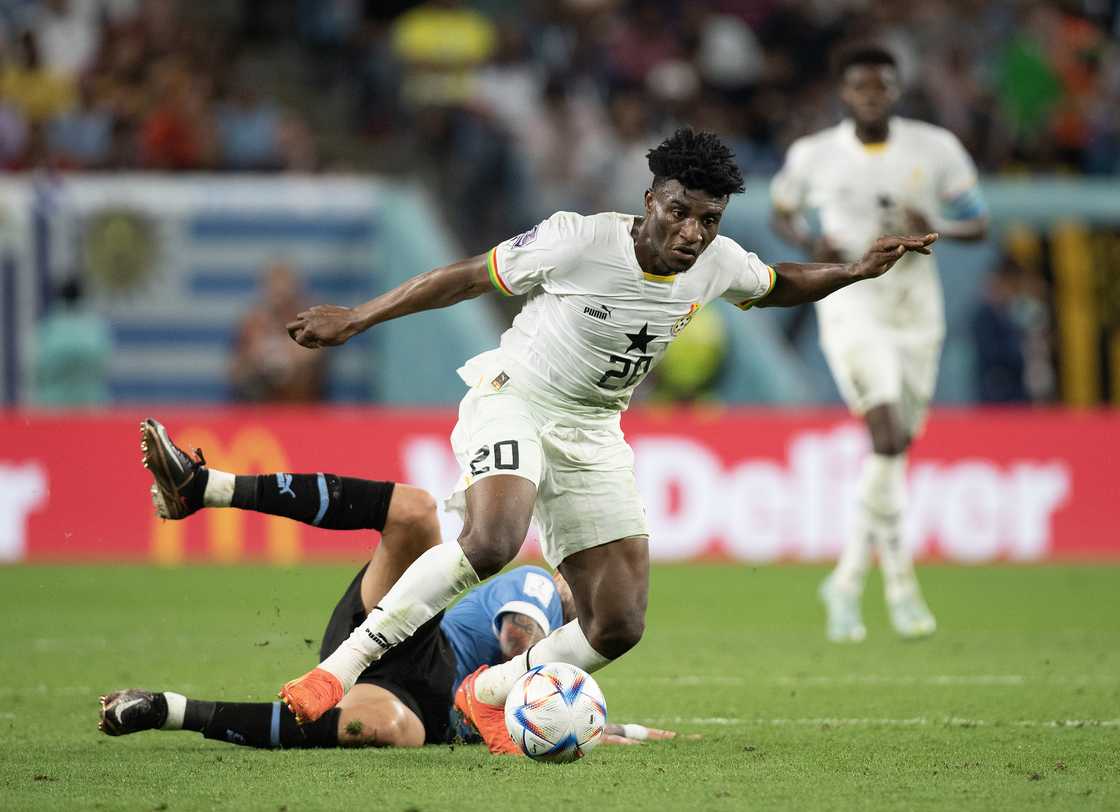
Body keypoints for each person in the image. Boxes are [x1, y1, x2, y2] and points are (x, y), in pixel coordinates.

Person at [278, 127, 937, 753]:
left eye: (709, 220)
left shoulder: (715, 262)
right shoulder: (578, 239)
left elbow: (774, 284)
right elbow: (469, 275)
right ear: (649, 200)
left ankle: (490, 692)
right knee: (493, 540)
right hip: (515, 399)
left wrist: (853, 272)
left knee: (617, 624)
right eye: (680, 212)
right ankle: (341, 668)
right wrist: (358, 318)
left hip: (593, 432)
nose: (692, 232)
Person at [115, 422, 670, 750]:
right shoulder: (539, 587)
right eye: (585, 577)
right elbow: (518, 647)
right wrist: (553, 714)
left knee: (371, 729)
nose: (593, 589)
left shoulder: (570, 641)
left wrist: (592, 725)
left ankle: (168, 710)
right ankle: (205, 486)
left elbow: (537, 693)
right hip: (412, 632)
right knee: (414, 512)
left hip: (411, 702)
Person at [770, 43, 988, 643]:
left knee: (895, 451)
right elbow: (782, 210)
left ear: (896, 90)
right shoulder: (813, 155)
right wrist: (809, 243)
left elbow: (978, 220)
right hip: (853, 301)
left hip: (917, 308)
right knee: (887, 433)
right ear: (845, 92)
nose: (872, 96)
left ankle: (849, 581)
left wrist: (937, 230)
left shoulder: (935, 148)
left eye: (883, 86)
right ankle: (899, 587)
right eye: (862, 87)